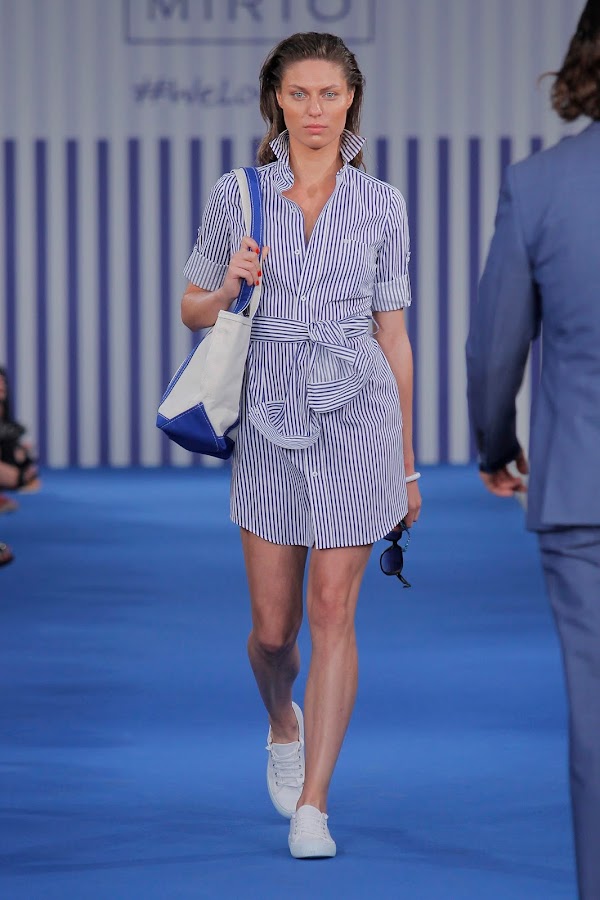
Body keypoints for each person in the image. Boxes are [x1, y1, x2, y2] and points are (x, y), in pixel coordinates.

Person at [180, 32, 421, 858]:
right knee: (275, 632)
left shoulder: (382, 203)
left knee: (332, 612)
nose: (315, 110)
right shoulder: (238, 195)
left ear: (351, 100)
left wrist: (408, 465)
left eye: (330, 94)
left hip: (358, 413)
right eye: (299, 94)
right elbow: (190, 308)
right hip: (269, 418)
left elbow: (394, 337)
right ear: (275, 102)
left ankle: (314, 805)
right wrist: (228, 286)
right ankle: (282, 719)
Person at [466, 2, 600, 896]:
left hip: (585, 492)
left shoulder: (540, 184)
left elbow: (494, 350)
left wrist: (497, 446)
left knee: (597, 723)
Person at [0, 367, 40, 494]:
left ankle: (17, 478)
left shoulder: (6, 415)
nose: (1, 385)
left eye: (3, 381)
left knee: (21, 453)